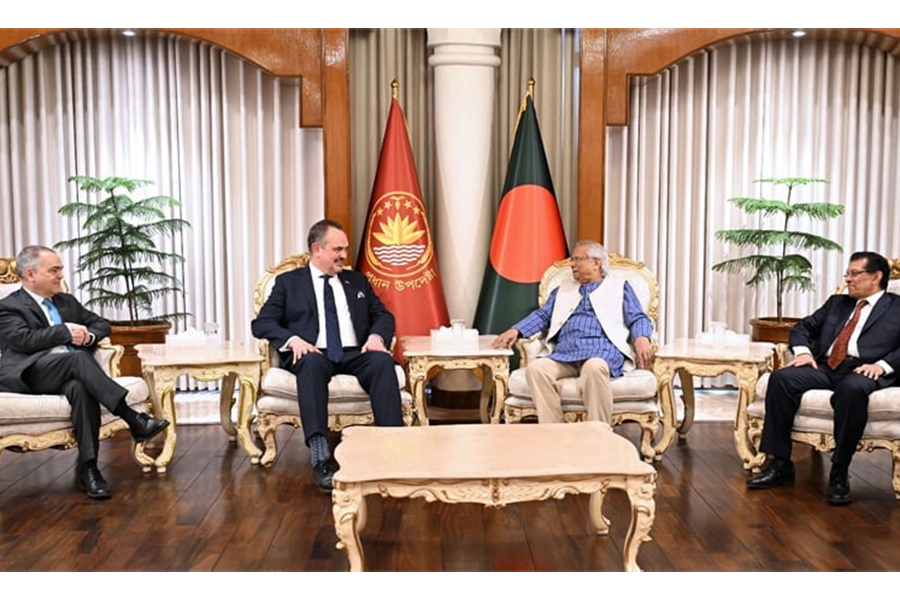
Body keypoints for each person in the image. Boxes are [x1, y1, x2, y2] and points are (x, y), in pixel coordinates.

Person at [0, 245, 169, 500]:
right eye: (54, 270)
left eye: (61, 269)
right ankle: (132, 417)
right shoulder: (9, 306)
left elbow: (101, 324)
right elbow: (23, 340)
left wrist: (88, 335)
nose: (60, 276)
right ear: (30, 274)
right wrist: (65, 332)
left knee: (80, 387)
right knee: (77, 360)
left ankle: (88, 470)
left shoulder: (65, 301)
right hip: (31, 373)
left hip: (70, 373)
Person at [251, 219, 402, 492]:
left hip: (355, 353)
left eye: (345, 249)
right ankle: (321, 455)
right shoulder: (288, 283)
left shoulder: (356, 281)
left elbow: (383, 316)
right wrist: (292, 339)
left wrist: (376, 337)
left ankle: (392, 449)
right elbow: (261, 324)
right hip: (313, 352)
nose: (344, 255)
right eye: (337, 249)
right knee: (309, 364)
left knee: (381, 362)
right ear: (317, 249)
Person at [747, 251, 900, 505]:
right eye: (847, 274)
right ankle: (780, 464)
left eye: (854, 274)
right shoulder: (837, 303)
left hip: (864, 370)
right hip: (826, 366)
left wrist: (883, 366)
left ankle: (839, 470)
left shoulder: (896, 308)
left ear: (876, 277)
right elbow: (803, 327)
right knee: (781, 379)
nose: (848, 279)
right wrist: (805, 353)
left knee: (851, 390)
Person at [492, 240, 654, 424]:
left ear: (596, 263)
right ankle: (556, 432)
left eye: (577, 259)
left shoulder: (619, 286)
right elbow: (543, 315)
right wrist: (517, 330)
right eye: (572, 260)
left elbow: (638, 317)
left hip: (600, 353)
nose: (572, 264)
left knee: (594, 368)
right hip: (565, 354)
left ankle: (598, 433)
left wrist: (642, 338)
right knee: (537, 369)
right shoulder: (562, 289)